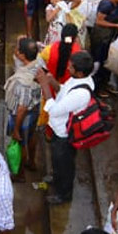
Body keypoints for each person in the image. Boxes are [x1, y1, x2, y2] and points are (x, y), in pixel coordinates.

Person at [36, 50, 95, 206]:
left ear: (81, 73)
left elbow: (54, 110)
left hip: (65, 134)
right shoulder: (75, 80)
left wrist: (44, 86)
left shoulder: (81, 93)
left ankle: (64, 194)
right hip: (58, 128)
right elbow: (63, 91)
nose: (68, 68)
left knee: (65, 164)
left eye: (71, 67)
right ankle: (56, 178)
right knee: (56, 159)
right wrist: (52, 81)